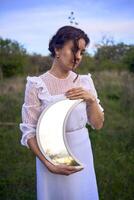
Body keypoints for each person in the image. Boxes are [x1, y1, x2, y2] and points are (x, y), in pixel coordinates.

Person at [19, 25, 104, 200]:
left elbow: (97, 124)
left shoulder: (85, 82)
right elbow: (29, 132)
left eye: (82, 52)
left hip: (82, 150)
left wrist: (91, 100)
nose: (78, 57)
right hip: (50, 154)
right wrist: (48, 164)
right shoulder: (36, 85)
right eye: (74, 50)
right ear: (57, 49)